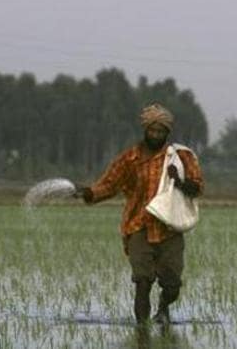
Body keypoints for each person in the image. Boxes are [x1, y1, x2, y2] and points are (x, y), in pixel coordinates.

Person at [74, 103, 204, 326]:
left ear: (167, 133)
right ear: (145, 130)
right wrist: (88, 193)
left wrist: (179, 181)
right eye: (152, 131)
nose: (155, 135)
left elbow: (198, 188)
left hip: (169, 229)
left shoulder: (180, 157)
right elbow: (109, 185)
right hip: (138, 226)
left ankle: (163, 308)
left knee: (172, 284)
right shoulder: (130, 159)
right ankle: (141, 331)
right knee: (143, 281)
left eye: (160, 132)